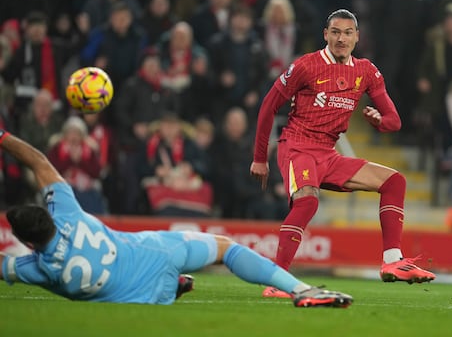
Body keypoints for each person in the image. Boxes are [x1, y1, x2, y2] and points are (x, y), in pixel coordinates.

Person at [0, 129, 352, 308]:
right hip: (155, 253)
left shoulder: (37, 269)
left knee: (139, 291)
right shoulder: (69, 215)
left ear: (29, 244)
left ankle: (176, 285)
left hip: (145, 296)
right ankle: (301, 290)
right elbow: (39, 162)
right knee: (225, 249)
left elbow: (6, 266)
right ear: (50, 216)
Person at [250, 9, 436, 299]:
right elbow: (268, 106)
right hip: (298, 146)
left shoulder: (366, 71)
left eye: (348, 33)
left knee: (394, 181)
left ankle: (392, 261)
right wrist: (260, 157)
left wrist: (379, 122)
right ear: (326, 34)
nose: (341, 38)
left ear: (357, 37)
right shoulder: (306, 66)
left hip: (328, 152)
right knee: (308, 202)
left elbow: (394, 121)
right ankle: (277, 282)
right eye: (335, 32)